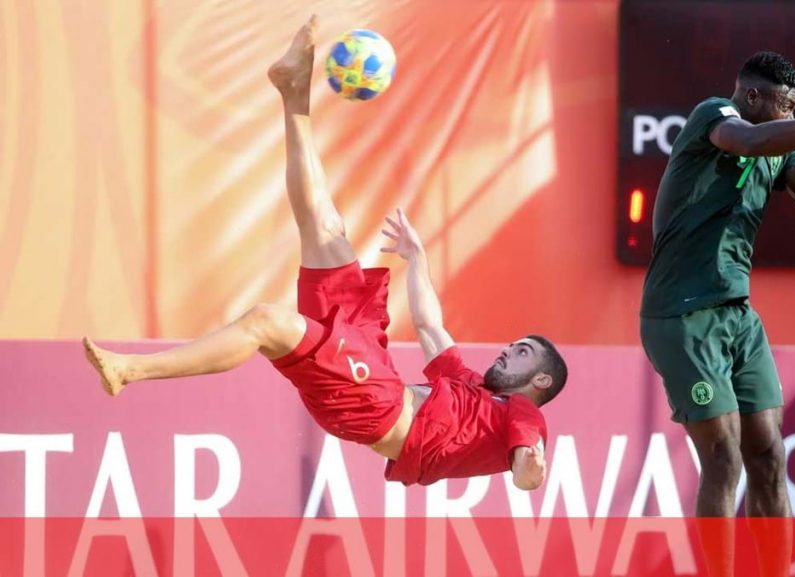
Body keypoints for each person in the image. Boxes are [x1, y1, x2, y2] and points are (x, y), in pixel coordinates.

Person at [82, 15, 568, 490]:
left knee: (267, 322)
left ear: (540, 380)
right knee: (323, 226)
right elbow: (428, 326)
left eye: (521, 352)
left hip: (375, 404)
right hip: (373, 372)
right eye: (513, 344)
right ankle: (294, 93)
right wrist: (417, 261)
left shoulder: (522, 414)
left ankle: (131, 370)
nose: (507, 349)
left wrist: (531, 469)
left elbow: (525, 469)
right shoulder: (472, 389)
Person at [638, 51, 795, 576]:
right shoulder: (716, 115)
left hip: (738, 317)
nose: (790, 116)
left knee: (770, 455)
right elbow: (753, 141)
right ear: (752, 96)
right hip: (681, 316)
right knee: (724, 457)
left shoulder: (782, 149)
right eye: (785, 106)